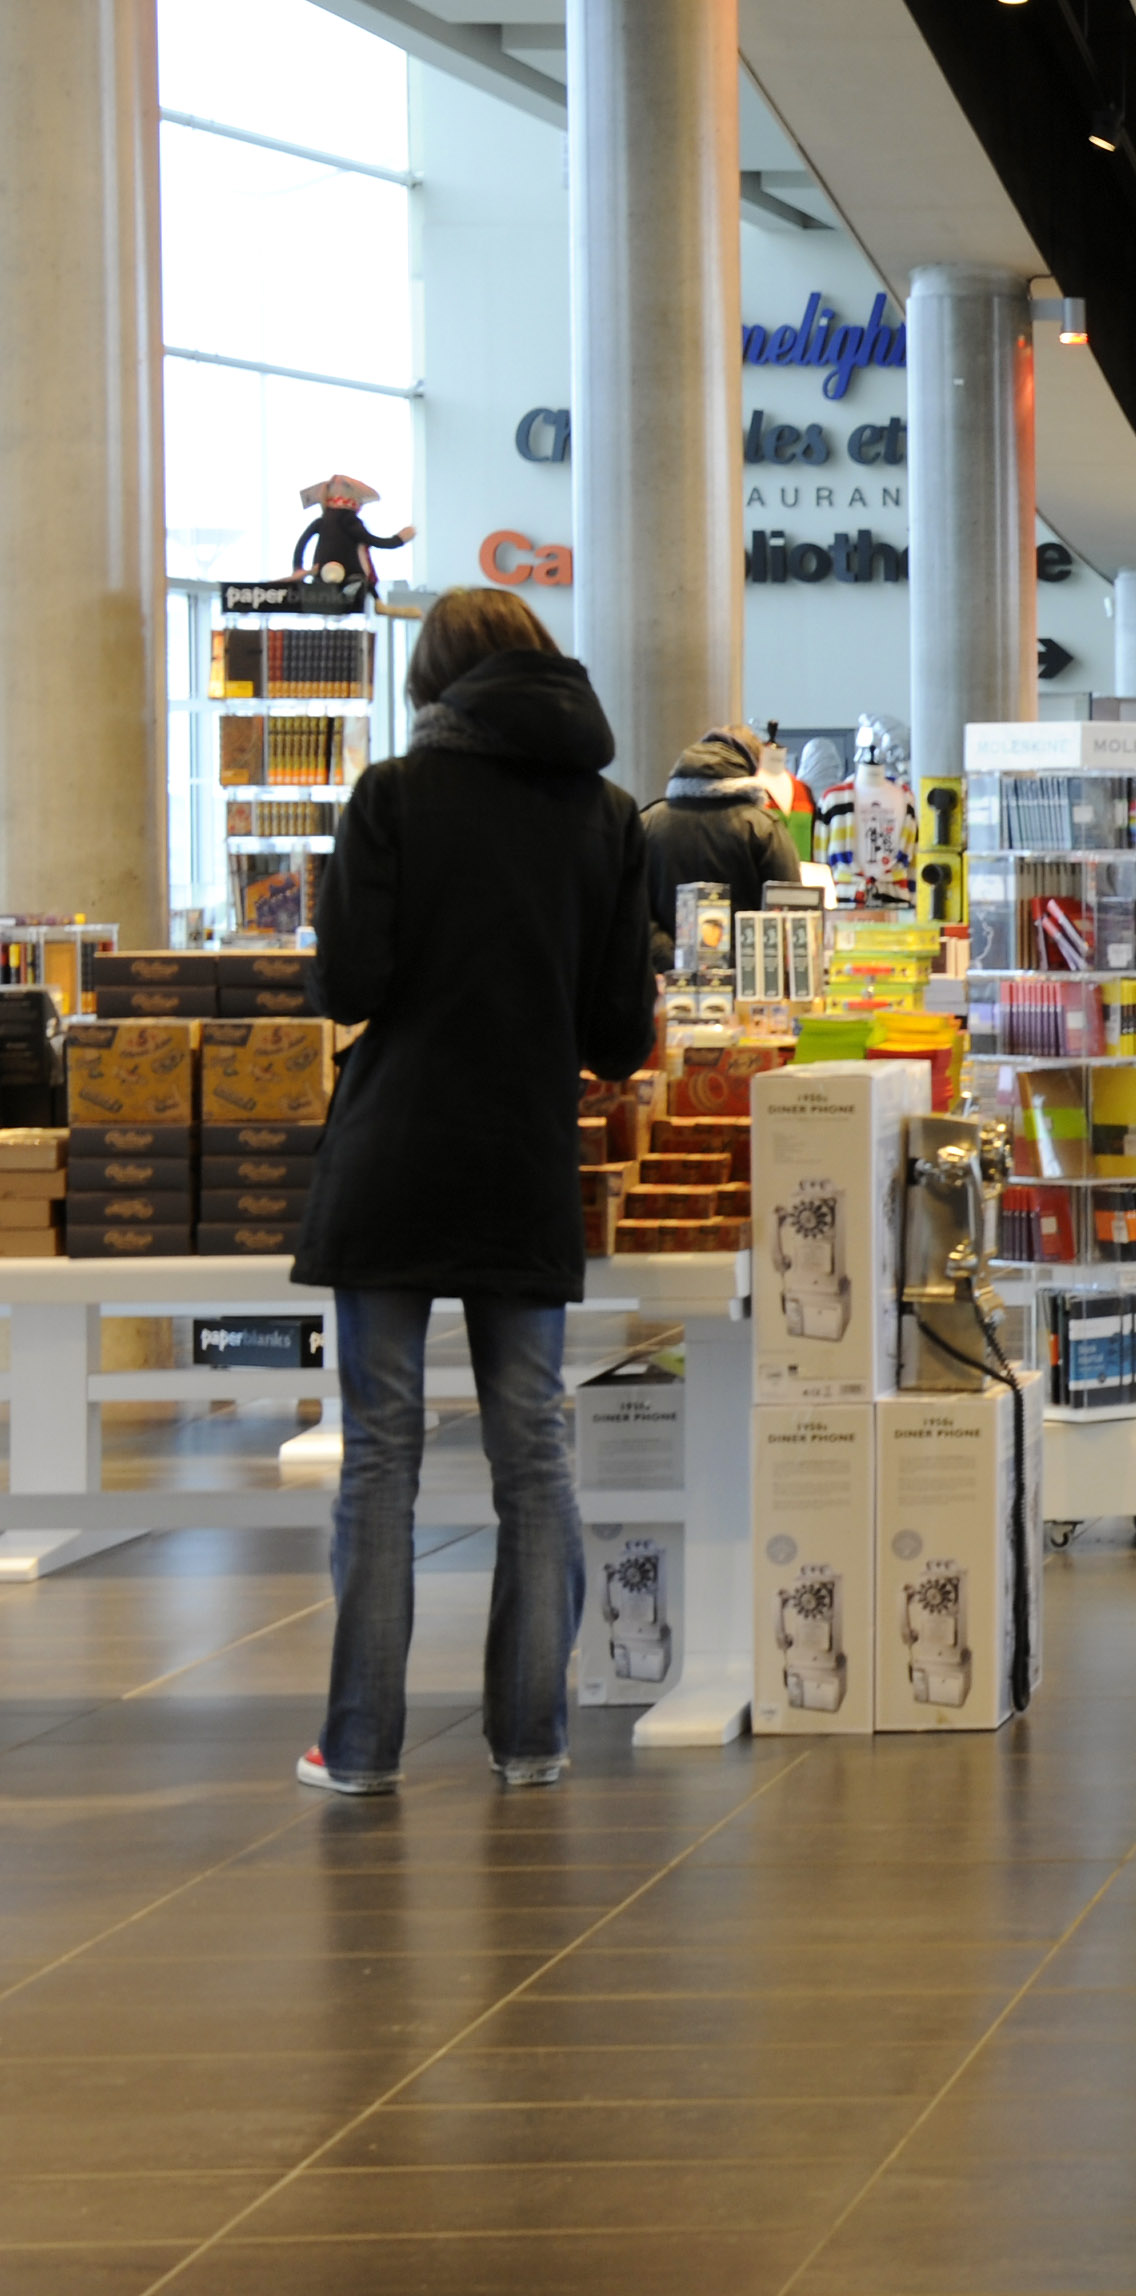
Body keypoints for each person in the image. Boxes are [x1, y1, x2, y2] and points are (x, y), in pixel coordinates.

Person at [293, 587, 658, 1794]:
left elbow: (349, 983)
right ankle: (532, 1737)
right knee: (533, 1456)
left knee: (380, 1459)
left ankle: (359, 1749)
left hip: (393, 1154)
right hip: (522, 1160)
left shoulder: (392, 795)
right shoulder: (609, 814)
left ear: (432, 681)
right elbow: (619, 1038)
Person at [638, 724, 801, 914]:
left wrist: (662, 935)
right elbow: (789, 906)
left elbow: (630, 903)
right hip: (743, 934)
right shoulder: (763, 826)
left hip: (662, 934)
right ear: (751, 765)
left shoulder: (648, 821)